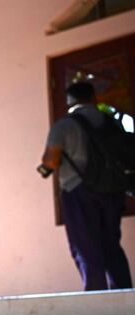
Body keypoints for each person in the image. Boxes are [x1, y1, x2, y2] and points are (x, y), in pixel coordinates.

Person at [41, 82, 132, 291]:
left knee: (86, 249)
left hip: (78, 192)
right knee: (112, 248)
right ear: (93, 97)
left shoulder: (64, 125)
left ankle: (97, 309)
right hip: (112, 190)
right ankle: (126, 304)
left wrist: (46, 167)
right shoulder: (111, 122)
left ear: (69, 101)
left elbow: (51, 160)